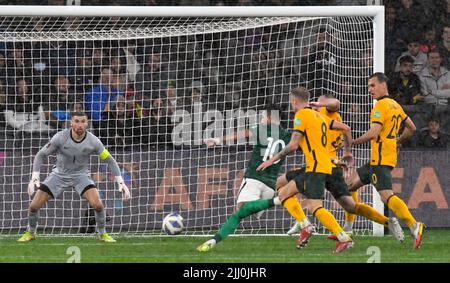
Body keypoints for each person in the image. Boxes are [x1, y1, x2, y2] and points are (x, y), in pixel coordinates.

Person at [280, 94, 404, 245]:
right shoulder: (319, 117)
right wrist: (346, 151)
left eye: (320, 100)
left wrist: (320, 104)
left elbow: (335, 103)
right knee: (351, 206)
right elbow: (343, 129)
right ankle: (387, 222)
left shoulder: (327, 113)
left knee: (283, 188)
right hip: (333, 167)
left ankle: (306, 224)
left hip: (320, 165)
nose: (317, 102)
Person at [197, 104, 306, 252]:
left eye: (262, 116)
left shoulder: (262, 129)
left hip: (254, 178)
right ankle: (280, 203)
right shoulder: (288, 135)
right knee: (246, 211)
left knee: (239, 212)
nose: (260, 120)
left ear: (268, 118)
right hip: (270, 184)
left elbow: (242, 134)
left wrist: (217, 140)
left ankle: (278, 200)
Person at [17, 111, 131, 243]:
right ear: (71, 123)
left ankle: (102, 234)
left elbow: (110, 160)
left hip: (81, 176)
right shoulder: (60, 137)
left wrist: (120, 182)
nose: (80, 125)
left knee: (98, 205)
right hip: (59, 175)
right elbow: (41, 155)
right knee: (33, 207)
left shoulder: (94, 141)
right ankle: (31, 232)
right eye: (76, 121)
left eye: (83, 121)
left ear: (87, 124)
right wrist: (35, 177)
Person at [346, 72, 425, 250]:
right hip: (381, 158)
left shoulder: (381, 106)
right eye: (368, 86)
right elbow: (411, 128)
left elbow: (373, 133)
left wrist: (352, 142)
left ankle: (413, 225)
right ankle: (348, 229)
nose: (369, 90)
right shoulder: (395, 105)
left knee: (386, 196)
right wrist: (398, 141)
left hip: (380, 159)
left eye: (372, 85)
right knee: (348, 186)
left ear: (383, 85)